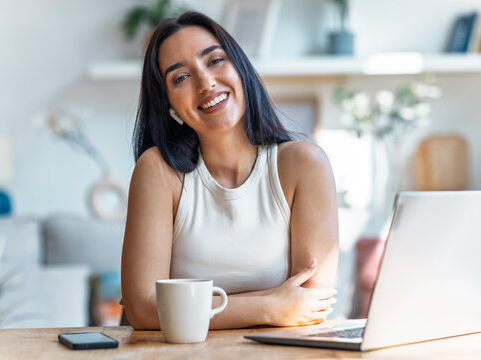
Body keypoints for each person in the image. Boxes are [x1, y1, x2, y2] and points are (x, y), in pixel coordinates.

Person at [121, 11, 339, 330]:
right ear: (168, 105)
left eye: (215, 60)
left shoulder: (305, 165)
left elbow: (311, 302)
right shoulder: (157, 170)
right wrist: (269, 305)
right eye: (180, 77)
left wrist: (182, 308)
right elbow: (142, 309)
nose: (205, 83)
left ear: (240, 68)